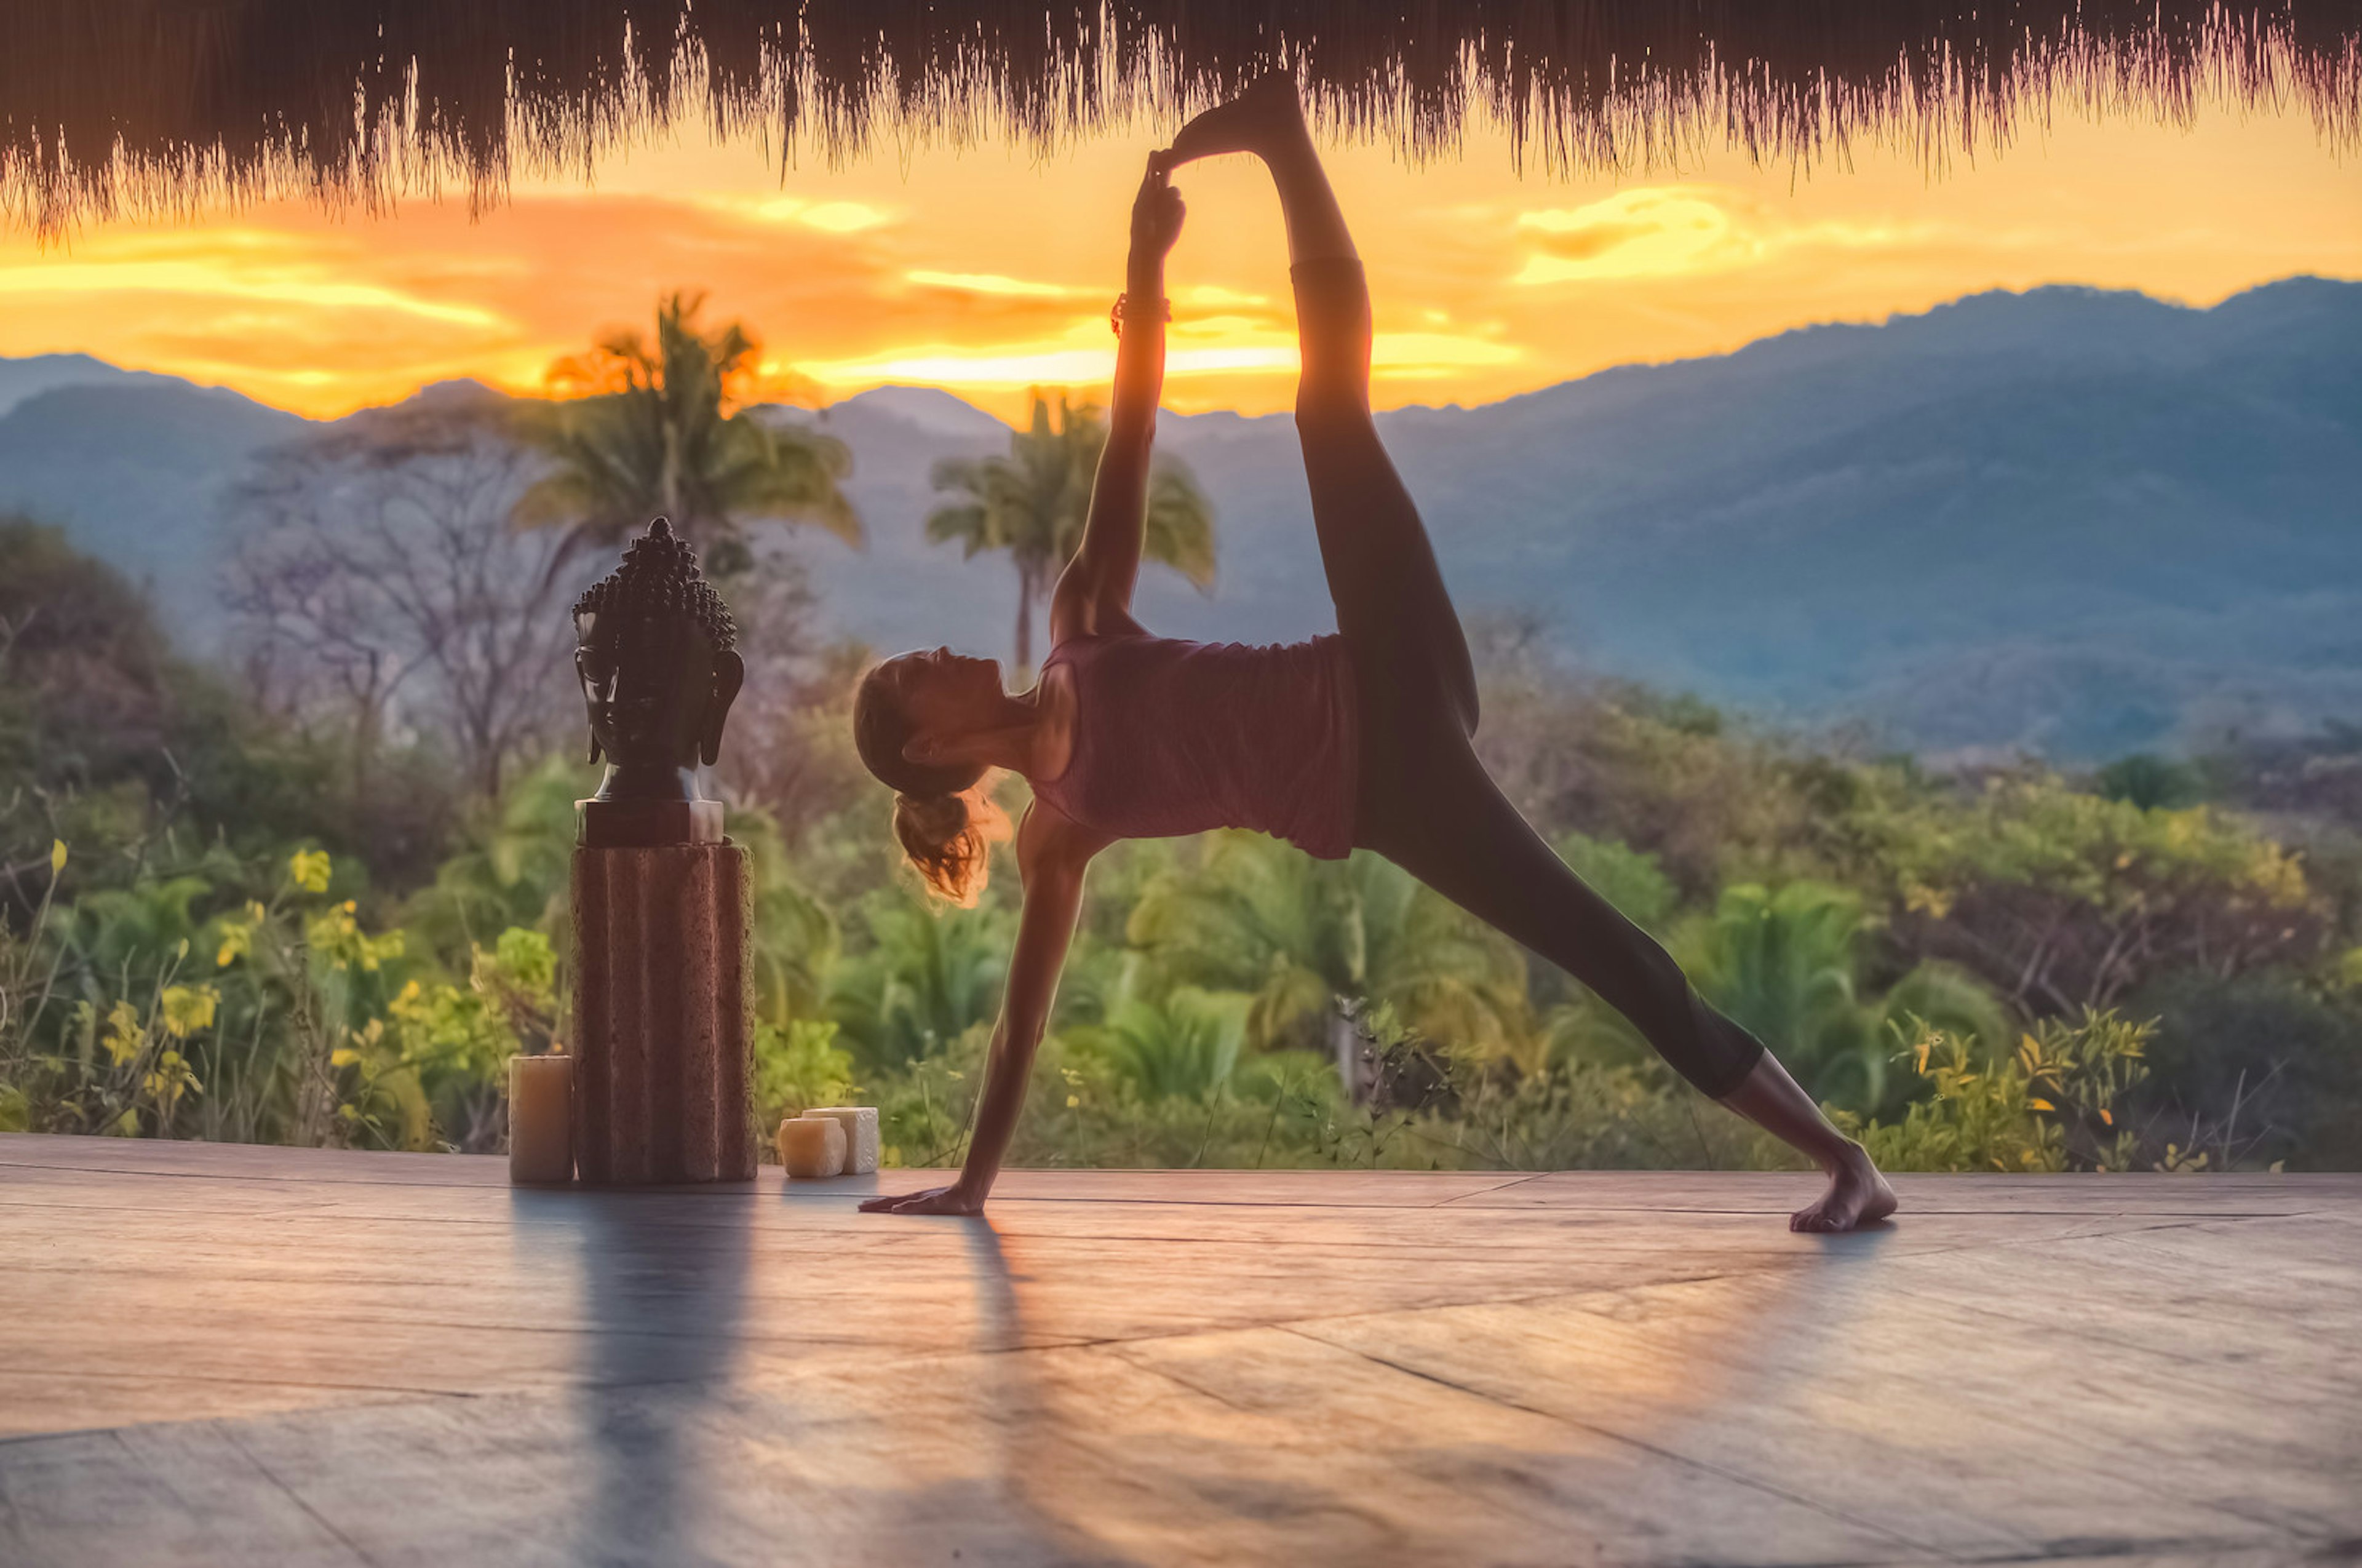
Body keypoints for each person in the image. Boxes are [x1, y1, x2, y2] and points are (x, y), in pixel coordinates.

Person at [853, 79, 1897, 1232]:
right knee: (1606, 950)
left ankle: (1283, 136)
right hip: (1390, 792)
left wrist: (1146, 267)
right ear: (932, 745)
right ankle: (1847, 1161)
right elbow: (1020, 1024)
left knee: (1327, 417)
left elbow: (1134, 426)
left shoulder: (1079, 619)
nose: (942, 647)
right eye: (919, 670)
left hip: (1387, 663)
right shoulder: (1061, 828)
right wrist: (973, 1183)